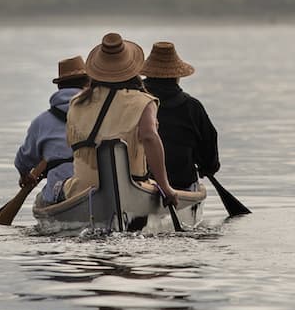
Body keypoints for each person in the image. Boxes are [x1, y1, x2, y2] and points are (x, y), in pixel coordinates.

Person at [62, 32, 178, 208]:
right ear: (132, 69)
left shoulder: (77, 102)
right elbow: (149, 137)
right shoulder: (143, 101)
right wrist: (165, 187)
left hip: (82, 190)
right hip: (133, 186)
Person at [140, 40, 221, 190]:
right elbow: (209, 144)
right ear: (177, 77)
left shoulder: (136, 102)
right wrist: (207, 169)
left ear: (147, 75)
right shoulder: (192, 107)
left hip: (142, 181)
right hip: (182, 182)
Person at [15, 55, 85, 206]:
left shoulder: (42, 122)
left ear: (59, 87)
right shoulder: (102, 114)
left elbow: (23, 160)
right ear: (88, 84)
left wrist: (25, 176)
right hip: (97, 185)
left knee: (40, 201)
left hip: (59, 192)